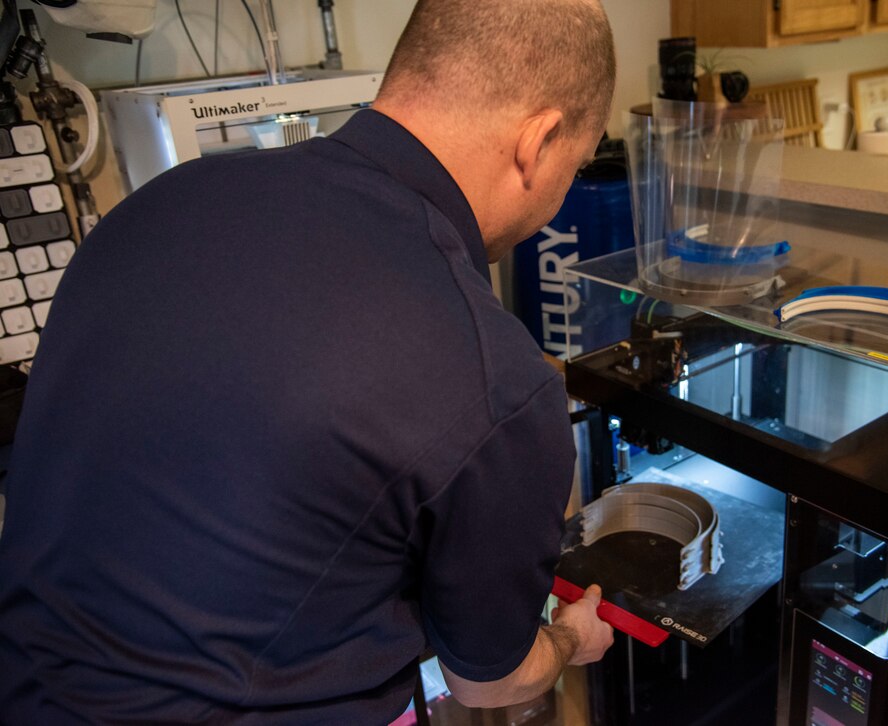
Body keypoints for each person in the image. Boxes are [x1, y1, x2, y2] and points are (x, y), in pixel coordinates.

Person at [0, 0, 616, 721]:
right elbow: (487, 681)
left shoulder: (156, 207)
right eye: (575, 166)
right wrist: (569, 639)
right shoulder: (495, 377)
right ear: (538, 141)